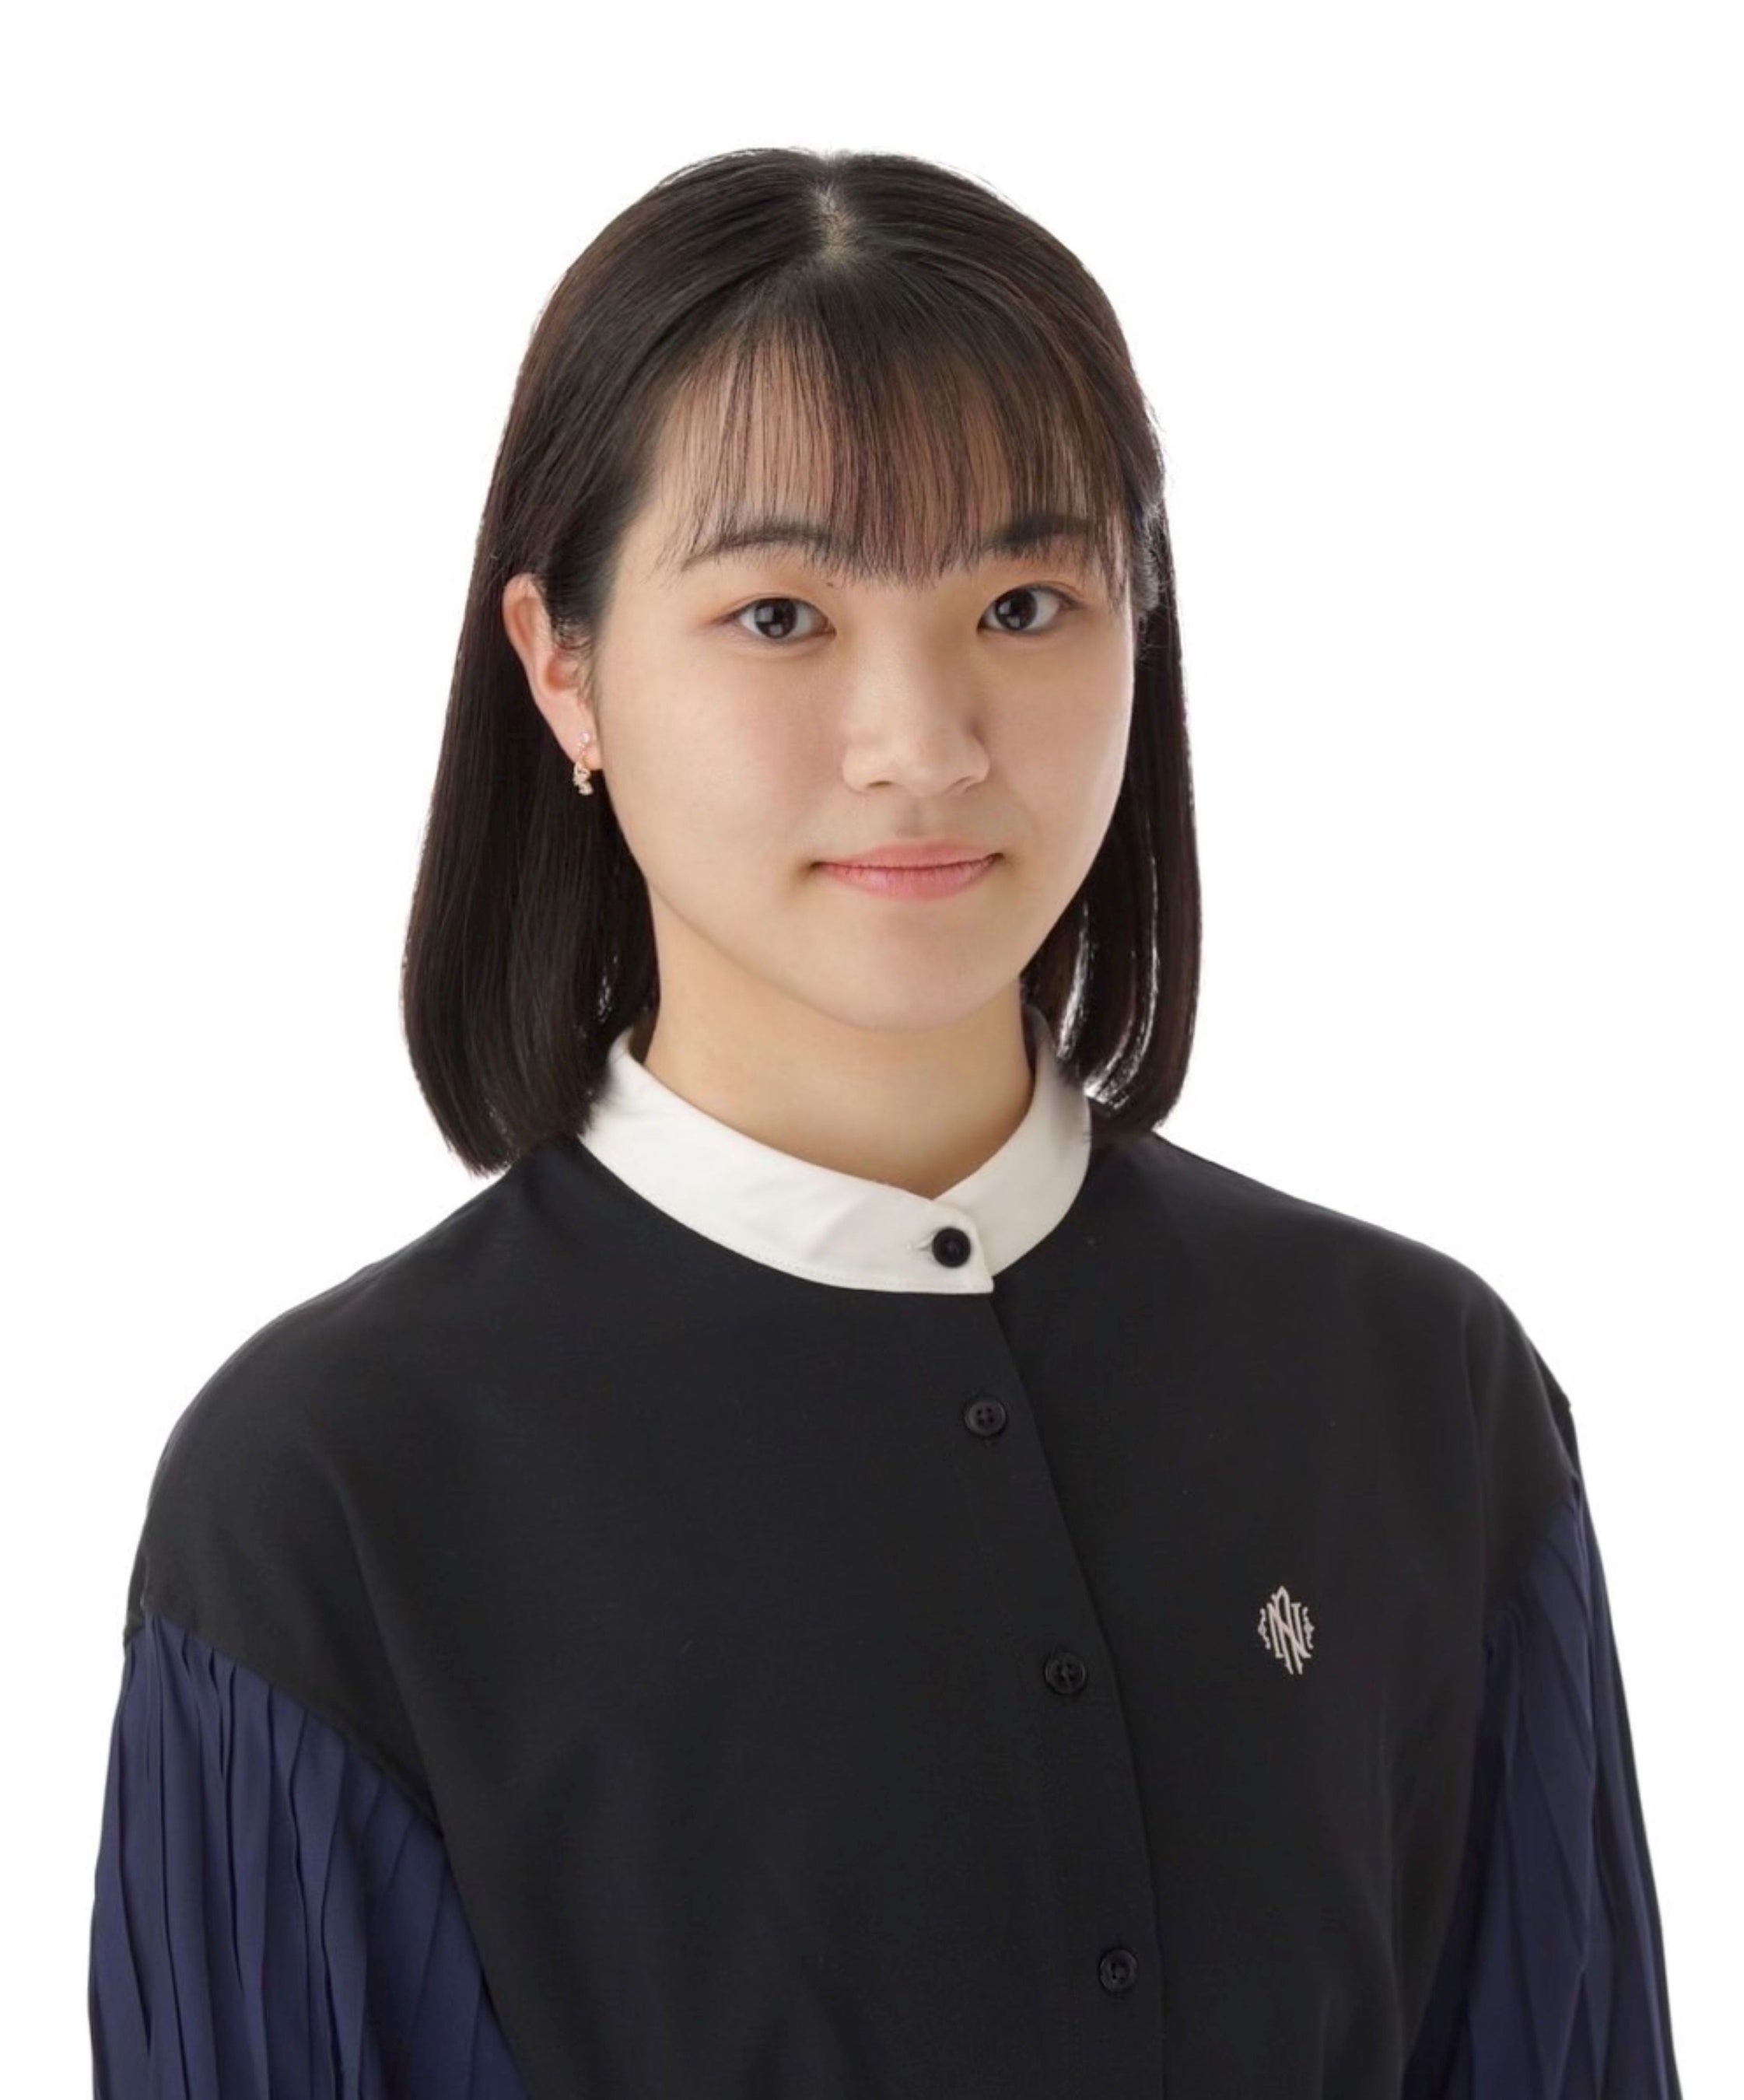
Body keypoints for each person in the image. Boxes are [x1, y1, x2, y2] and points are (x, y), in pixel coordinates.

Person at [87, 145, 1683, 2099]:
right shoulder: (334, 1495)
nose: (922, 744)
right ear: (562, 669)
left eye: (1022, 601)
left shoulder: (1414, 1389)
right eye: (779, 616)